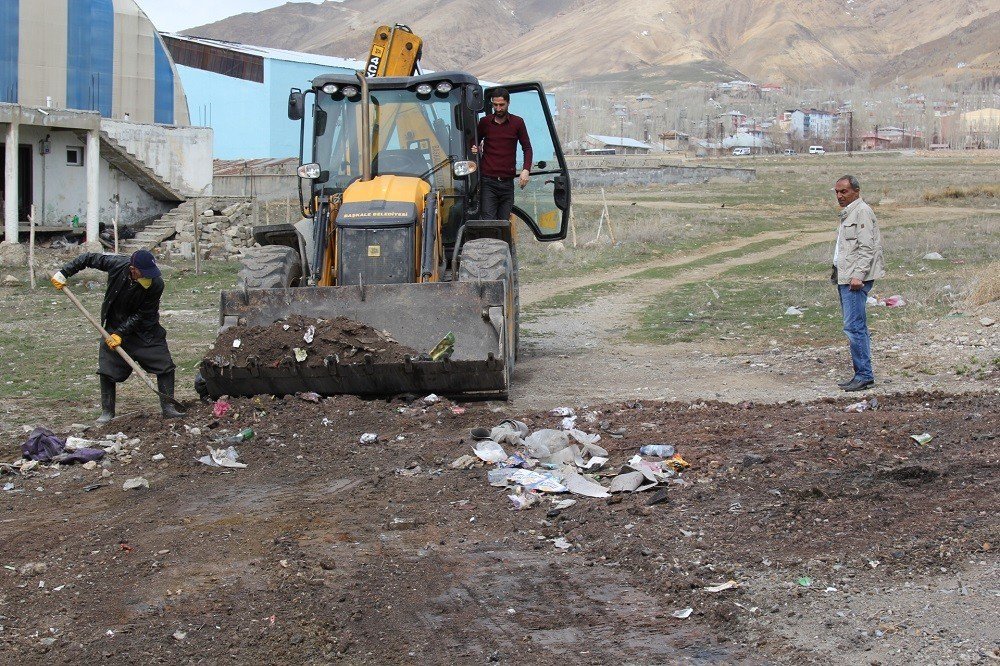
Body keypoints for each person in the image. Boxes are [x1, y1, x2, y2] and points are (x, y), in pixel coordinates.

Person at [51, 250, 185, 422]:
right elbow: (88, 258)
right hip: (113, 326)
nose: (148, 278)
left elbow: (143, 314)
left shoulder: (156, 284)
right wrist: (64, 272)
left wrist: (121, 333)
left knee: (164, 365)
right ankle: (107, 412)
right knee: (108, 369)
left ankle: (168, 407)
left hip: (146, 331)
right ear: (133, 269)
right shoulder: (117, 264)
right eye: (144, 274)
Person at [831, 175, 885, 392]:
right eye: (836, 192)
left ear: (856, 191)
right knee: (853, 326)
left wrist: (858, 276)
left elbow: (867, 247)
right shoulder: (849, 213)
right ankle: (861, 374)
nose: (839, 196)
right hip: (845, 277)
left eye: (843, 191)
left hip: (854, 279)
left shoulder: (861, 211)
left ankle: (864, 375)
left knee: (855, 327)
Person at [473, 87, 533, 221]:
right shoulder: (485, 123)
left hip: (507, 183)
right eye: (495, 105)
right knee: (489, 222)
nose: (498, 108)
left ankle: (505, 242)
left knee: (504, 222)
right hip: (488, 182)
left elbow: (527, 148)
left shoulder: (518, 123)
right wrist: (475, 148)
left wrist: (526, 170)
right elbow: (473, 141)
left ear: (508, 103)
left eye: (501, 105)